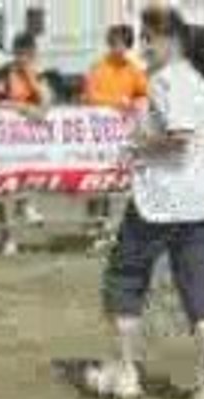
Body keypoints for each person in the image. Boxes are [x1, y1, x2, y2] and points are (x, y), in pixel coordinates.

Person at [74, 5, 204, 399]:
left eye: (149, 39)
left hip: (164, 200)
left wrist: (135, 148)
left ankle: (124, 370)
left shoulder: (171, 79)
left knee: (124, 278)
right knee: (202, 283)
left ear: (176, 39)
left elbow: (179, 136)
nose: (143, 48)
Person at [82, 25, 149, 241]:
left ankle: (109, 225)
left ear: (128, 45)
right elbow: (91, 96)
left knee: (114, 180)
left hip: (123, 135)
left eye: (122, 43)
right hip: (98, 133)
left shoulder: (133, 69)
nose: (118, 48)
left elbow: (145, 93)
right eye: (114, 43)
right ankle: (93, 223)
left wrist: (136, 103)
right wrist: (117, 104)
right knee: (96, 179)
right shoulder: (98, 68)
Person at [0, 31, 51, 256]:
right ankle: (6, 236)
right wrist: (22, 108)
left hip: (28, 141)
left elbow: (46, 103)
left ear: (34, 54)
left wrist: (32, 79)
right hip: (2, 138)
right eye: (19, 54)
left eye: (28, 54)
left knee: (25, 178)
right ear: (13, 53)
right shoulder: (3, 73)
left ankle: (25, 205)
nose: (23, 59)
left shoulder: (38, 73)